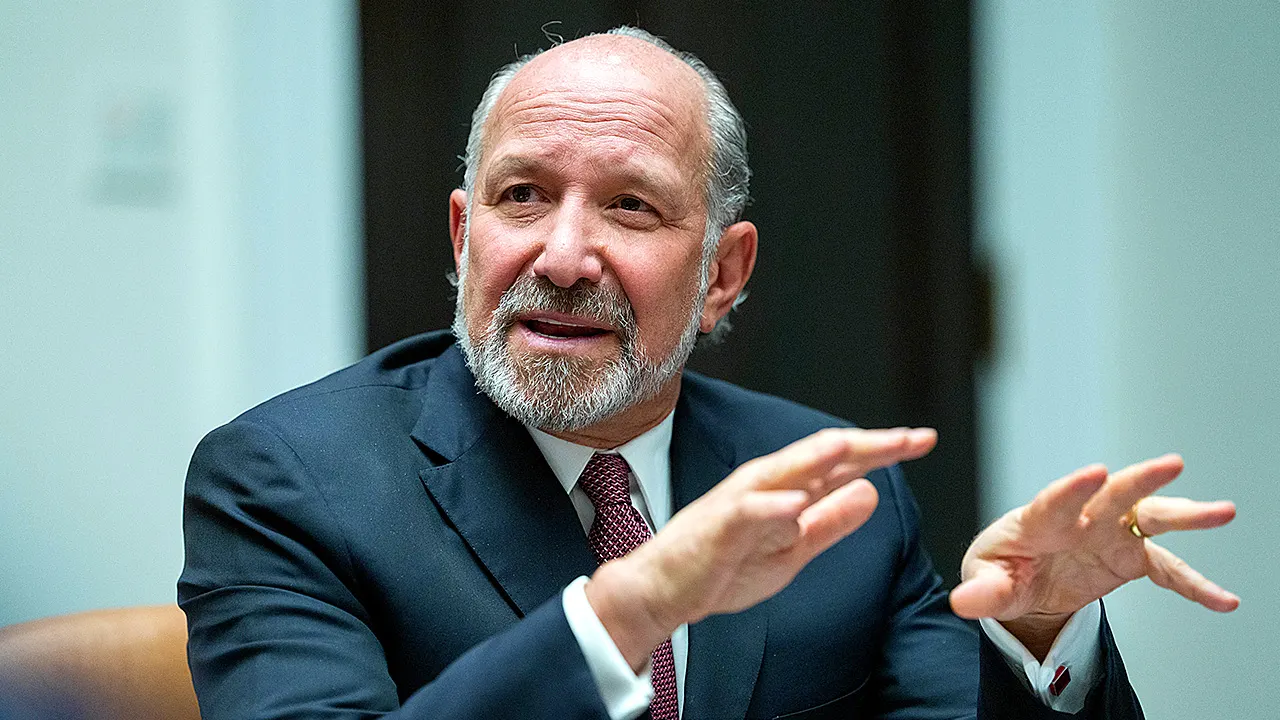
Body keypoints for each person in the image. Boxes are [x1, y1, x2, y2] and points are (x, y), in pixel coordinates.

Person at [179, 27, 1238, 720]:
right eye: (521, 196)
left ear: (723, 276)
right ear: (463, 237)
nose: (561, 255)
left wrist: (1036, 632)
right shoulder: (287, 480)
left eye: (630, 206)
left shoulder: (833, 491)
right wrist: (630, 611)